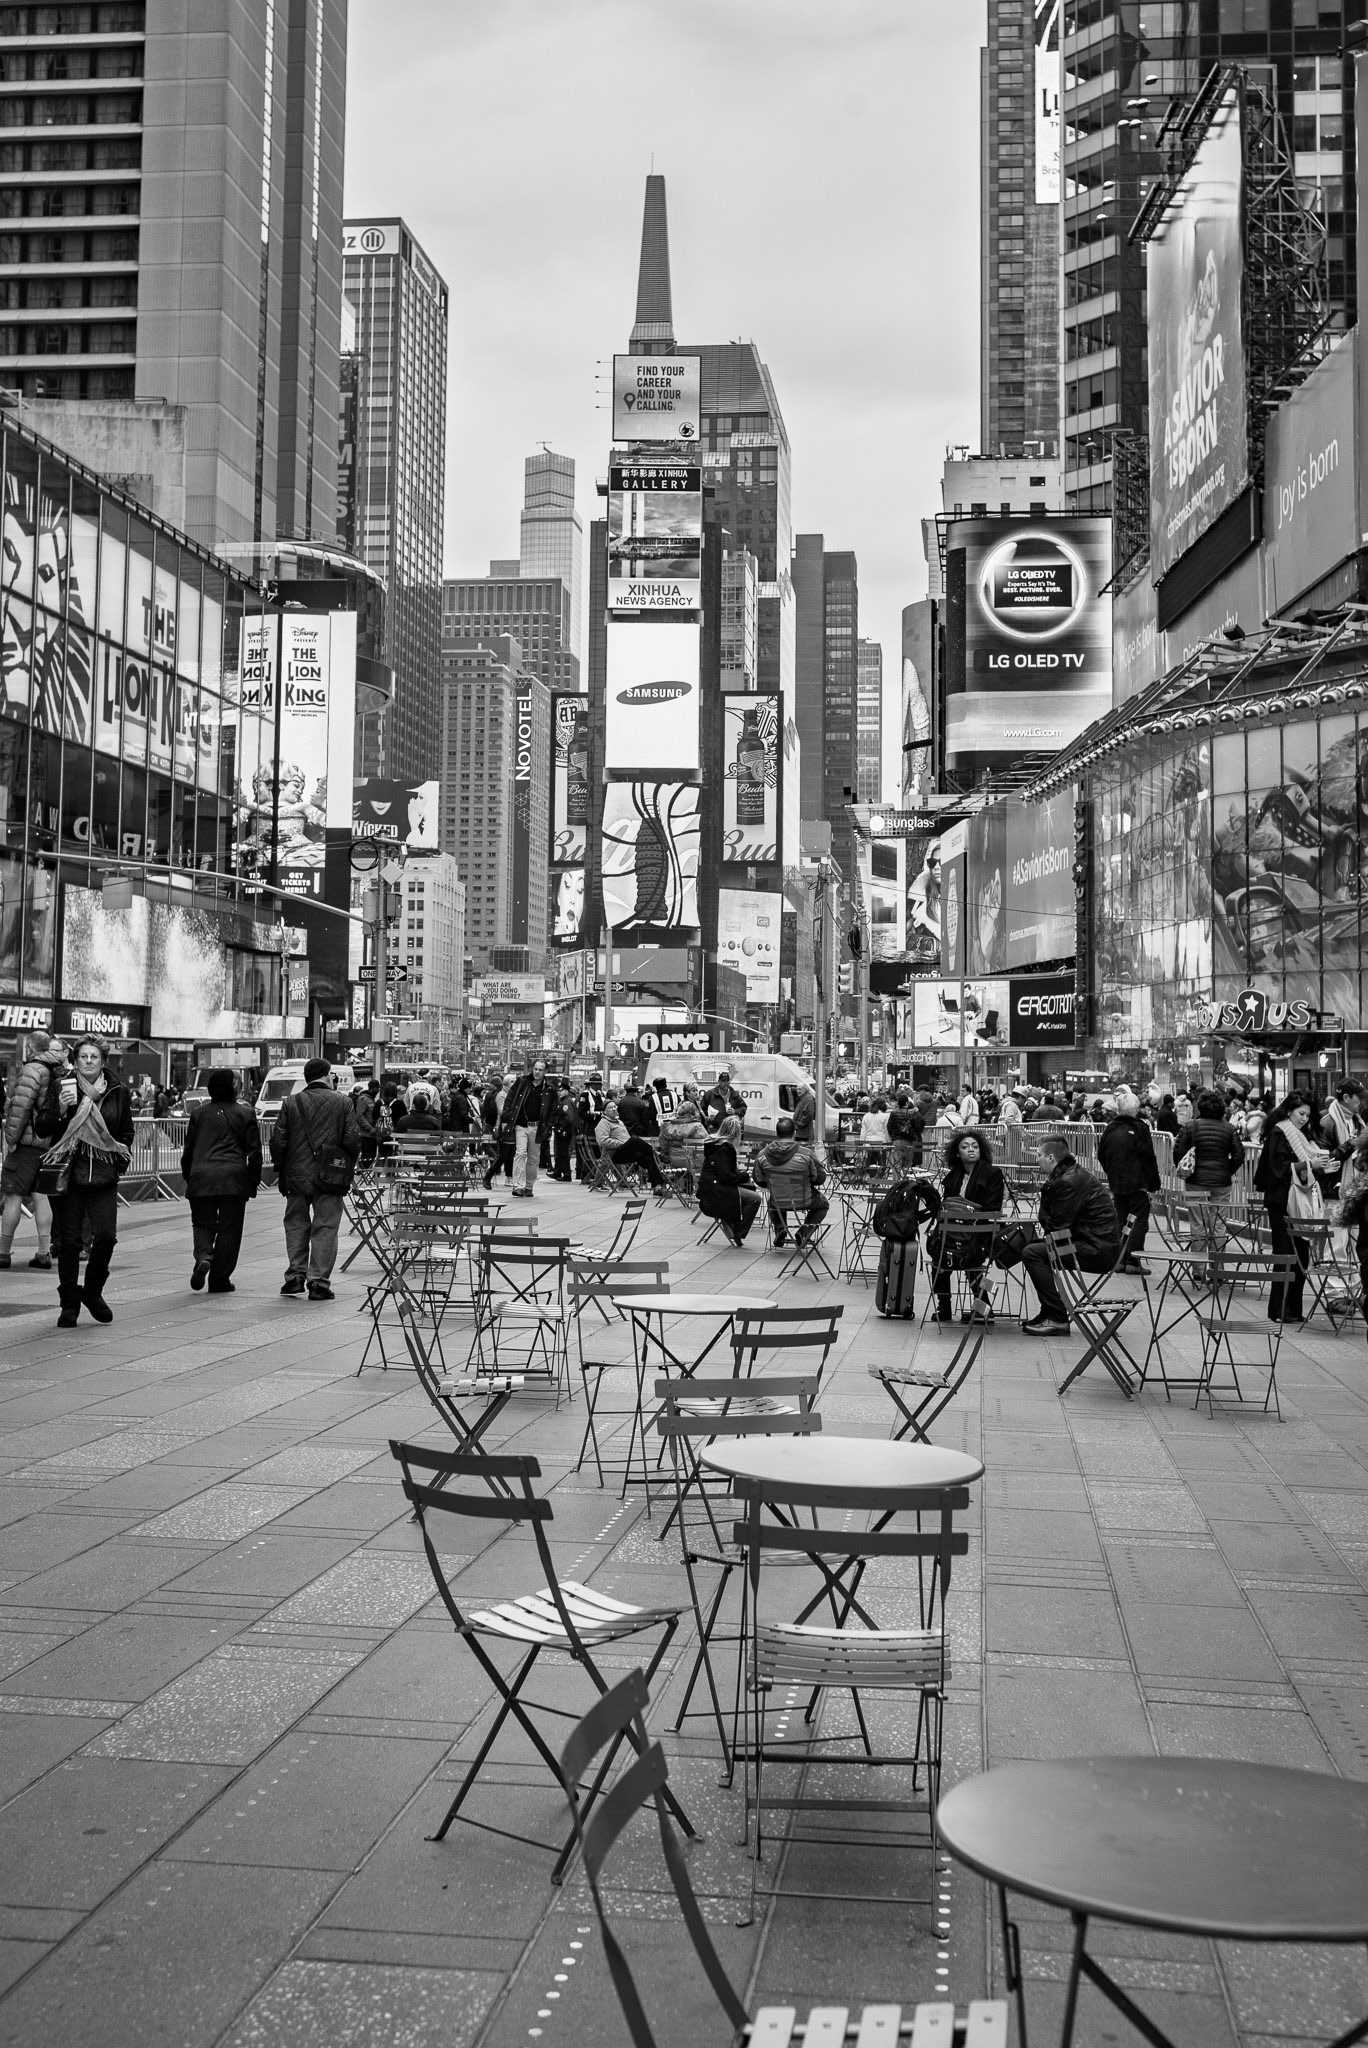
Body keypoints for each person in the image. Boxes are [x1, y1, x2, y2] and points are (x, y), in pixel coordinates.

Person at [44, 1037, 135, 1328]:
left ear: (103, 1061)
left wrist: (119, 1161)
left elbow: (126, 1132)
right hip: (69, 1175)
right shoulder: (62, 1085)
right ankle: (69, 1304)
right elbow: (42, 1126)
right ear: (76, 1059)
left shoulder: (117, 1090)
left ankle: (92, 1292)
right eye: (83, 1056)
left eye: (94, 1056)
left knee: (106, 1236)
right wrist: (59, 1108)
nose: (88, 1061)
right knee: (69, 1242)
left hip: (104, 1175)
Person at [269, 1056, 360, 1301]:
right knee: (326, 1226)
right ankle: (318, 1282)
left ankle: (295, 1276)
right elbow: (352, 1140)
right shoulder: (343, 1103)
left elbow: (278, 1140)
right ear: (327, 1075)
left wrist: (282, 1167)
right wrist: (347, 1166)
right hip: (331, 1176)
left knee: (296, 1224)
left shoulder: (291, 1103)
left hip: (296, 1176)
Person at [1020, 1132, 1121, 1334]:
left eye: (1039, 1155)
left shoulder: (1067, 1181)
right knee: (1030, 1246)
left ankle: (1056, 1316)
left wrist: (1046, 1192)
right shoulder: (1070, 1174)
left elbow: (1056, 1226)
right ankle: (1049, 1310)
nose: (1037, 1159)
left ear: (1051, 1158)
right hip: (1094, 1243)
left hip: (1096, 1250)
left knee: (1033, 1253)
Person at [180, 1070, 262, 1293]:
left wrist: (188, 1175)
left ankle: (204, 1256)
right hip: (232, 1179)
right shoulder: (245, 1113)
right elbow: (254, 1152)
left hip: (201, 1177)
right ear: (233, 1087)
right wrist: (253, 1180)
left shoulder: (198, 1114)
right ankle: (220, 1279)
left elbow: (188, 1151)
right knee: (230, 1230)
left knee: (202, 1222)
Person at [1255, 1091, 1329, 1326]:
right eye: (1301, 1113)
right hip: (1282, 1202)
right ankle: (1281, 1308)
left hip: (1296, 1201)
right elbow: (1276, 1168)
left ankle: (1293, 1309)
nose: (1304, 1118)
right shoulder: (1280, 1132)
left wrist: (1318, 1166)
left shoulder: (1300, 1135)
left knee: (1301, 1255)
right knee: (1286, 1254)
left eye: (1307, 1114)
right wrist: (1309, 1164)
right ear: (1289, 1111)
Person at [0, 1028, 66, 1271]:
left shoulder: (31, 1070)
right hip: (48, 1144)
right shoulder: (56, 1068)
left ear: (29, 1048)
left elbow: (20, 1109)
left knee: (13, 1195)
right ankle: (43, 1252)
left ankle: (3, 1252)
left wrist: (11, 1139)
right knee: (42, 1196)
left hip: (27, 1145)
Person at [927, 1129, 1005, 1324]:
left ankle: (982, 1306)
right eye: (965, 1147)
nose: (971, 1150)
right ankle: (944, 1305)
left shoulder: (992, 1173)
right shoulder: (953, 1176)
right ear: (957, 1153)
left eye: (975, 1146)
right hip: (953, 1234)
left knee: (969, 1255)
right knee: (939, 1253)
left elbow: (992, 1209)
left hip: (981, 1234)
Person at [1172, 1088, 1247, 1281]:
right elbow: (1239, 1155)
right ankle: (1218, 1270)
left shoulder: (1190, 1126)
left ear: (1200, 1107)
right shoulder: (1229, 1129)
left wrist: (1188, 1169)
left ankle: (1198, 1270)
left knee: (1197, 1223)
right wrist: (1226, 1169)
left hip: (1195, 1181)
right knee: (1219, 1224)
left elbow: (1178, 1152)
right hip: (1221, 1183)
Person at [1097, 1085, 1162, 1273]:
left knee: (1121, 1217)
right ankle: (1133, 1260)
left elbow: (1102, 1154)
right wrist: (1153, 1183)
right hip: (1136, 1183)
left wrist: (1111, 1172)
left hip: (1117, 1181)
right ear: (1136, 1109)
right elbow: (1148, 1157)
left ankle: (1118, 1259)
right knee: (1139, 1219)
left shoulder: (1110, 1129)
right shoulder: (1140, 1128)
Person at [751, 1115, 829, 1248]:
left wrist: (773, 1183)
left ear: (777, 1133)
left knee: (772, 1200)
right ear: (794, 1132)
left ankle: (781, 1228)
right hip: (805, 1199)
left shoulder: (762, 1155)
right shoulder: (806, 1154)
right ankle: (804, 1232)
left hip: (778, 1200)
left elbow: (759, 1180)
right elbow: (820, 1178)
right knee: (823, 1205)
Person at [697, 1113, 761, 1246]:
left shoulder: (714, 1144)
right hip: (717, 1190)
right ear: (735, 1133)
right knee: (755, 1198)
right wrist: (743, 1175)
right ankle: (738, 1230)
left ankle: (732, 1220)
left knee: (749, 1188)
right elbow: (726, 1176)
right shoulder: (725, 1149)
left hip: (708, 1187)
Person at [498, 1058, 554, 1198]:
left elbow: (553, 1110)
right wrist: (506, 1117)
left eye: (540, 1070)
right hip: (521, 1125)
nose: (537, 1072)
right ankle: (518, 1186)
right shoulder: (522, 1082)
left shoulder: (549, 1088)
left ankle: (529, 1186)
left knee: (534, 1158)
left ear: (545, 1072)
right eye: (535, 1069)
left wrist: (548, 1126)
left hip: (537, 1127)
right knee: (520, 1152)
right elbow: (510, 1099)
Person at [595, 1097, 665, 1189]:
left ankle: (658, 1186)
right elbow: (602, 1141)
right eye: (610, 1108)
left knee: (649, 1157)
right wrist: (620, 1143)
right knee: (634, 1140)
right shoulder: (603, 1123)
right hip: (614, 1154)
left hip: (626, 1152)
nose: (614, 1109)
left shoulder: (619, 1122)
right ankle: (657, 1154)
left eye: (615, 1107)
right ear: (604, 1112)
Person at [886, 1090, 922, 1173]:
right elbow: (918, 1125)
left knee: (896, 1164)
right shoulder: (912, 1113)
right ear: (907, 1103)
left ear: (898, 1103)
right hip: (909, 1140)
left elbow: (889, 1126)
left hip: (896, 1141)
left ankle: (897, 1183)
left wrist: (893, 1136)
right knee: (908, 1164)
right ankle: (906, 1183)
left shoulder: (893, 1113)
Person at [550, 1085, 578, 1181]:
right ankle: (558, 1172)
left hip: (564, 1131)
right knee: (560, 1152)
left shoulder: (566, 1102)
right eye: (558, 1091)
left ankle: (566, 1174)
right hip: (561, 1129)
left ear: (566, 1091)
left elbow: (569, 1118)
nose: (559, 1092)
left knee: (563, 1153)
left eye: (561, 1091)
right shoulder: (562, 1100)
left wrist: (562, 1128)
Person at [791, 1078, 817, 1148]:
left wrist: (799, 1124)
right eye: (797, 1089)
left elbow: (809, 1114)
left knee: (803, 1150)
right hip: (801, 1132)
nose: (798, 1091)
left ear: (805, 1090)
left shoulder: (808, 1098)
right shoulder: (803, 1098)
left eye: (800, 1089)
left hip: (804, 1133)